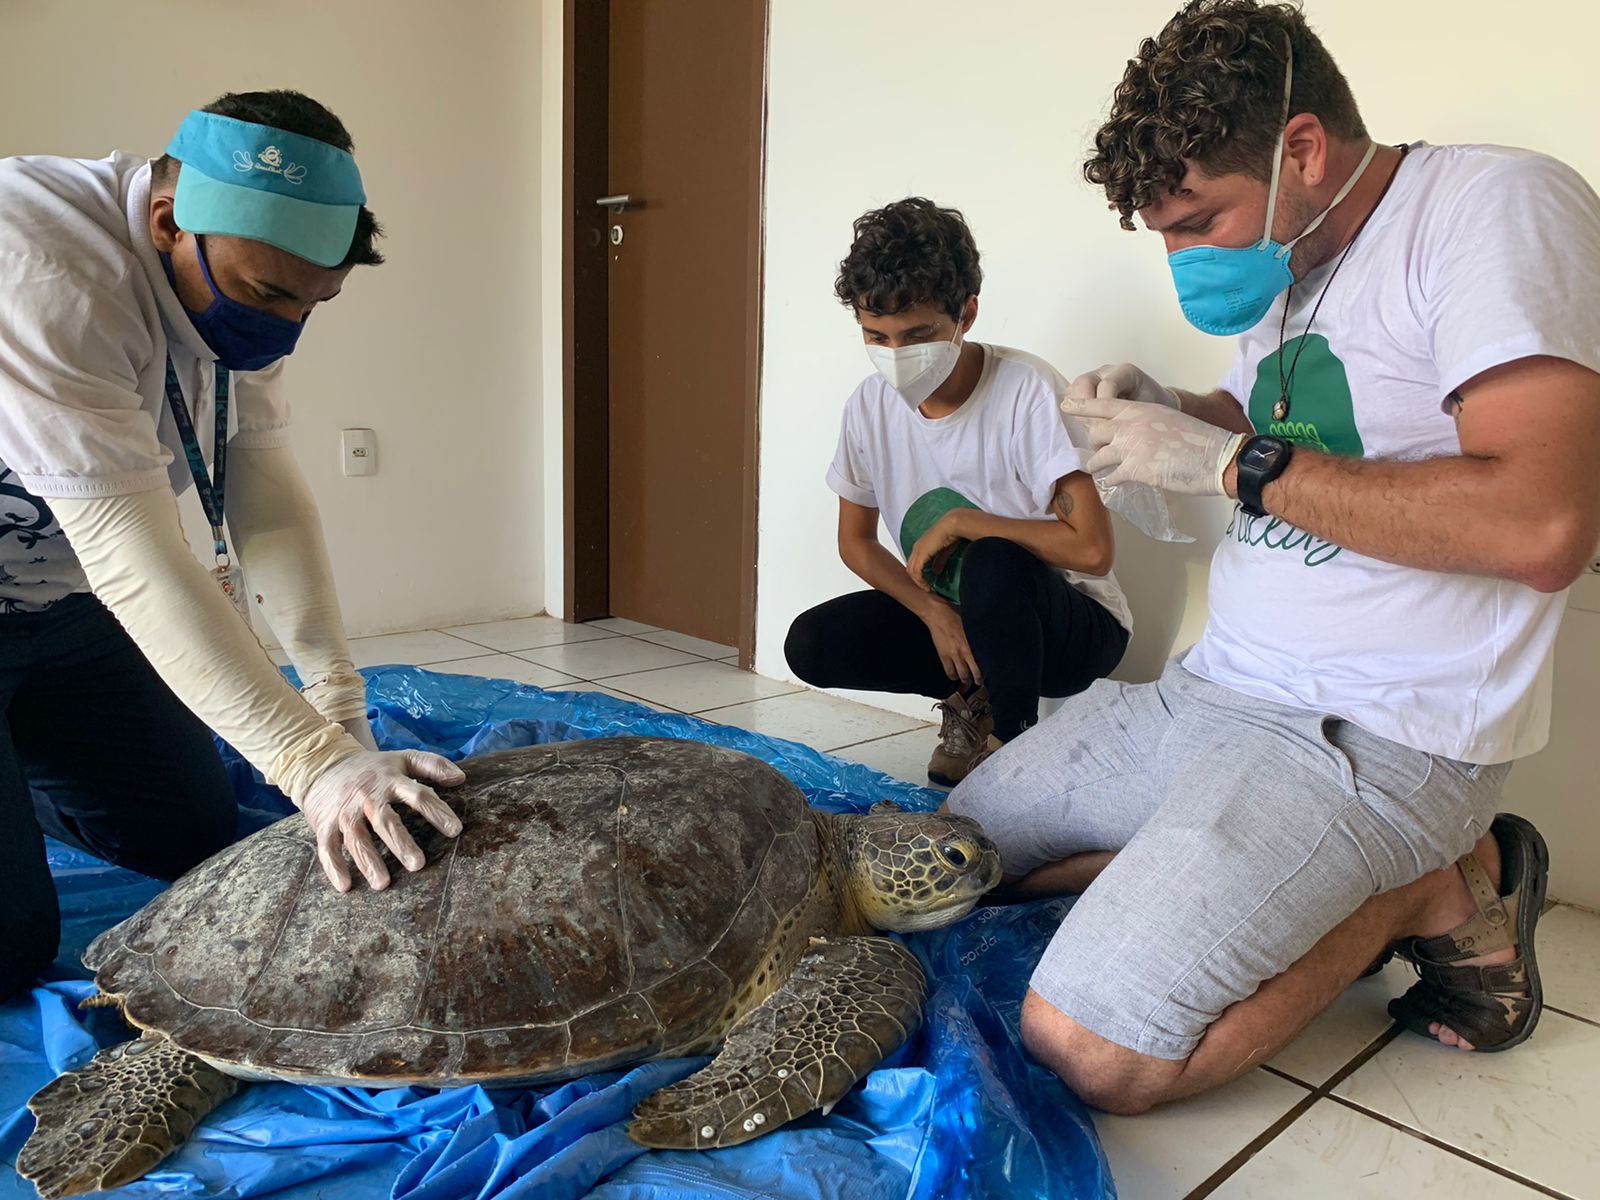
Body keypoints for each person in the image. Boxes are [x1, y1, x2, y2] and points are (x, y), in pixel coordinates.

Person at [947, 0, 1600, 1114]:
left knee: (1091, 1048)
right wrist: (1174, 412)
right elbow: (1284, 431)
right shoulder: (1291, 252)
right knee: (948, 858)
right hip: (1214, 690)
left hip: (1381, 733)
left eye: (1198, 219)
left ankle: (1429, 887)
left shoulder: (1498, 208)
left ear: (1302, 148)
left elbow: (1543, 528)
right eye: (1163, 232)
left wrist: (1228, 462)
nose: (1184, 257)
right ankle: (1221, 869)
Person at [0, 91, 466, 1001]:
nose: (288, 324)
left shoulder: (237, 281)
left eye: (315, 301)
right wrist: (312, 765)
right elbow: (129, 555)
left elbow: (266, 494)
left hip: (57, 607)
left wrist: (336, 704)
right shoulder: (44, 267)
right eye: (270, 295)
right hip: (89, 572)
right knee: (11, 944)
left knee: (198, 836)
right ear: (169, 223)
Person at [785, 198, 1131, 785]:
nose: (895, 356)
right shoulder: (868, 407)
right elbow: (856, 544)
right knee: (812, 643)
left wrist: (967, 523)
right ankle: (975, 699)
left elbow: (1093, 550)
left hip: (1074, 629)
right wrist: (932, 613)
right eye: (876, 336)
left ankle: (1011, 751)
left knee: (993, 558)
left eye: (918, 334)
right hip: (968, 615)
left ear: (966, 314)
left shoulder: (1026, 389)